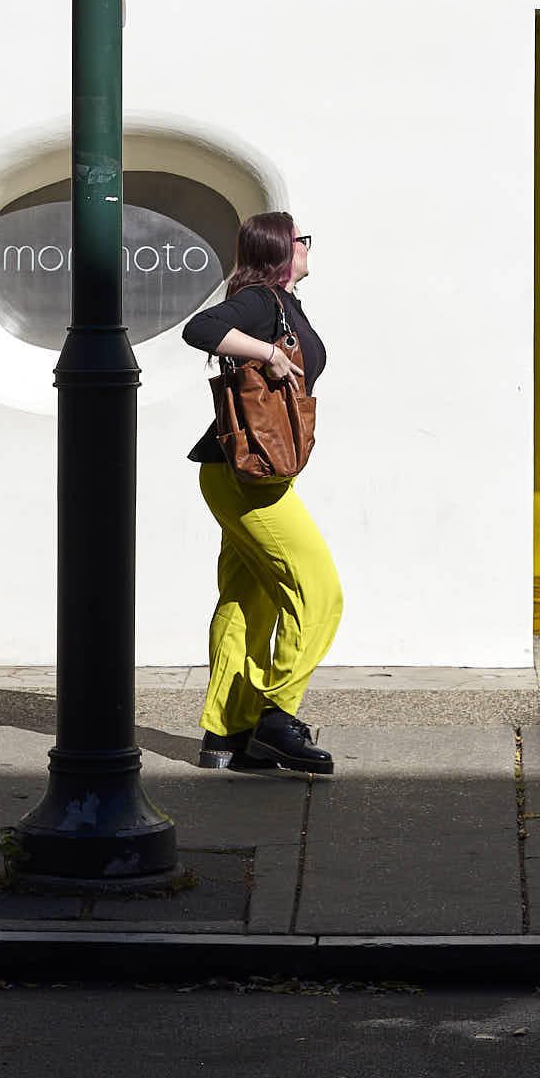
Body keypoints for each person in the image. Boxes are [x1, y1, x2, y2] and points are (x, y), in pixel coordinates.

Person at [181, 211, 342, 774]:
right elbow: (198, 329)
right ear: (282, 248)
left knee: (248, 599)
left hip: (239, 471)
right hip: (245, 477)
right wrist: (268, 353)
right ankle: (277, 716)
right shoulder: (263, 300)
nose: (308, 247)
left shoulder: (284, 304)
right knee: (318, 591)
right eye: (302, 239)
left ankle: (228, 733)